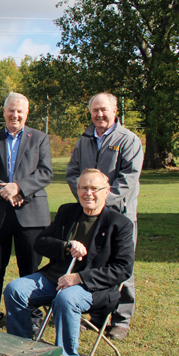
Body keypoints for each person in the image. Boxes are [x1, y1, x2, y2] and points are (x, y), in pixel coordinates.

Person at [4, 169, 134, 356]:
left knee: (66, 299)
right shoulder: (67, 212)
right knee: (15, 289)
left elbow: (122, 269)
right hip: (54, 277)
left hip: (92, 287)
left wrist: (80, 277)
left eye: (94, 188)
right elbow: (41, 242)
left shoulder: (120, 224)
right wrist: (66, 245)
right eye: (83, 188)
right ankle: (22, 352)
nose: (88, 193)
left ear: (107, 191)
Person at [65, 92, 143, 340]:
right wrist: (85, 199)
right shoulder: (84, 140)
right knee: (91, 262)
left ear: (115, 110)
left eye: (104, 109)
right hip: (89, 216)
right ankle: (97, 315)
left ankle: (121, 319)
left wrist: (100, 203)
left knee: (121, 265)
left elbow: (128, 181)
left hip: (119, 215)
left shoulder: (129, 140)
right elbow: (73, 172)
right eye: (95, 110)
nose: (100, 114)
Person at [0, 92, 53, 330]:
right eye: (11, 110)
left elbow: (45, 172)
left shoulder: (40, 138)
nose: (15, 115)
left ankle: (31, 313)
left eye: (20, 111)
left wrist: (19, 187)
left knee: (30, 268)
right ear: (4, 111)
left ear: (26, 113)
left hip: (30, 215)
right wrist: (4, 189)